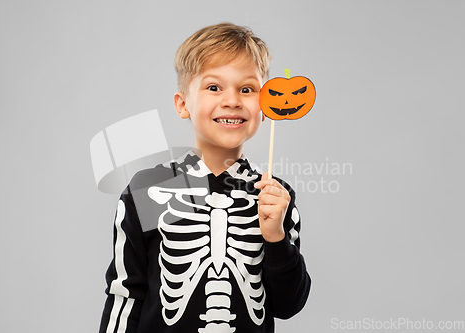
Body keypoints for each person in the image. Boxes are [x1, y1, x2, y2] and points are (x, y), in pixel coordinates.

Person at [99, 22, 311, 333]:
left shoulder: (275, 197)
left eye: (247, 89)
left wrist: (276, 238)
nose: (232, 101)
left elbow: (288, 304)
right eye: (214, 87)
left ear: (265, 108)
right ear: (183, 104)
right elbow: (125, 296)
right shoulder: (146, 190)